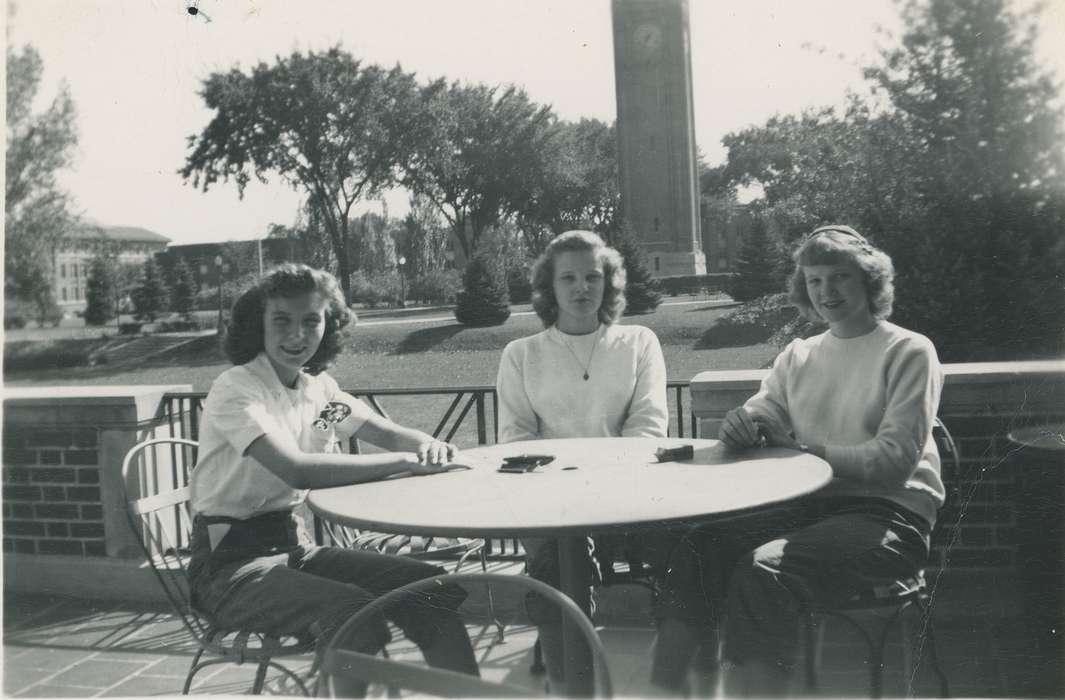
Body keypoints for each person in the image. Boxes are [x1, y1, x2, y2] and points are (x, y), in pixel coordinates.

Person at [650, 225, 945, 697]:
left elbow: (892, 463)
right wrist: (741, 424)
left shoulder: (908, 351)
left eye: (839, 277)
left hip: (889, 516)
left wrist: (802, 451)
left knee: (763, 572)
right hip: (810, 513)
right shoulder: (799, 354)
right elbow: (763, 411)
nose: (826, 292)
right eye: (814, 281)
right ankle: (664, 694)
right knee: (697, 551)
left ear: (869, 280)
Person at [186, 263, 478, 696]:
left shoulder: (318, 392)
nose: (297, 335)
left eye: (311, 321)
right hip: (229, 568)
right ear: (257, 326)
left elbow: (382, 430)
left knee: (430, 591)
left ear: (329, 325)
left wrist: (428, 445)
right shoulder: (238, 389)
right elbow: (297, 469)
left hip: (293, 549)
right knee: (353, 613)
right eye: (281, 321)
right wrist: (404, 461)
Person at [495, 230, 669, 690]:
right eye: (568, 278)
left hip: (628, 497)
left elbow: (648, 426)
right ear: (548, 288)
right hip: (550, 504)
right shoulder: (521, 355)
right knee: (555, 575)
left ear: (608, 283)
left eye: (593, 276)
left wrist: (605, 483)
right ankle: (570, 688)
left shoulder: (639, 343)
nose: (581, 288)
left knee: (692, 560)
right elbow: (515, 441)